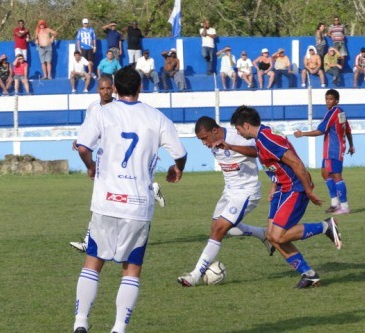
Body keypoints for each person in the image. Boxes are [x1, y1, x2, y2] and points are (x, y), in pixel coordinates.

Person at [73, 65, 187, 333]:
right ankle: (118, 329)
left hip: (106, 201)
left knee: (93, 261)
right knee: (131, 268)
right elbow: (179, 152)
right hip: (138, 206)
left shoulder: (102, 112)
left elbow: (82, 146)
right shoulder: (157, 118)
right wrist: (177, 168)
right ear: (140, 87)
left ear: (114, 89)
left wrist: (91, 166)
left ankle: (80, 323)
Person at [230, 105, 342, 288]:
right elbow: (276, 164)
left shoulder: (267, 139)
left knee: (279, 236)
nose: (238, 131)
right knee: (273, 237)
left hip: (294, 187)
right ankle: (309, 274)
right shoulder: (262, 137)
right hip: (282, 188)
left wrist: (308, 190)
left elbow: (296, 163)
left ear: (246, 125)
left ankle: (325, 226)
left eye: (238, 128)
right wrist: (274, 185)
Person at [69, 76, 167, 253]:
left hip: (117, 161)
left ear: (114, 88)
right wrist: (80, 140)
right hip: (105, 159)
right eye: (102, 89)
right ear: (97, 90)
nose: (105, 92)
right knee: (106, 198)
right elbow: (90, 130)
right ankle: (151, 190)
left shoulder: (121, 108)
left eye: (108, 88)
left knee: (104, 199)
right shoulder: (93, 109)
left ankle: (90, 241)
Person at [177, 116, 276, 287]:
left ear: (215, 131)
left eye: (204, 138)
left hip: (246, 192)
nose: (204, 143)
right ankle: (263, 235)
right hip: (229, 192)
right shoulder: (213, 142)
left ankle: (194, 275)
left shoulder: (236, 136)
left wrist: (231, 147)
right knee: (223, 229)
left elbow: (259, 152)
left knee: (218, 230)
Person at [294, 89, 354, 215]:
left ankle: (344, 206)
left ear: (336, 100)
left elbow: (320, 131)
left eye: (330, 99)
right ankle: (334, 203)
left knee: (336, 176)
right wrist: (351, 145)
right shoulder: (340, 112)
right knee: (325, 173)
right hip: (332, 149)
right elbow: (347, 129)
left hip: (334, 149)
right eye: (326, 99)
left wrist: (302, 134)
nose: (328, 101)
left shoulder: (332, 113)